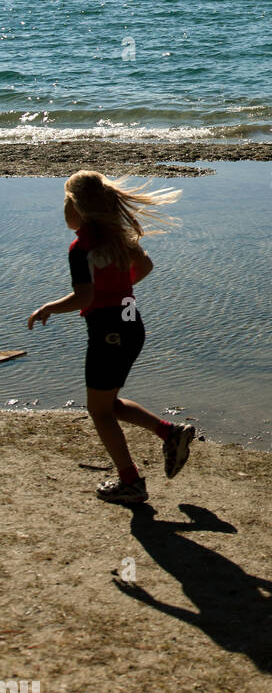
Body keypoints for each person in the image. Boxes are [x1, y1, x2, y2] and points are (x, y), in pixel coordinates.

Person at [27, 170, 193, 505]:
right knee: (108, 404)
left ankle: (130, 481)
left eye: (65, 202)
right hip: (132, 327)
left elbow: (83, 298)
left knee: (99, 410)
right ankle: (170, 433)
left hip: (108, 332)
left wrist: (48, 308)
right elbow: (145, 267)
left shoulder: (80, 247)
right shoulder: (118, 238)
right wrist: (119, 289)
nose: (63, 210)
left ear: (78, 208)